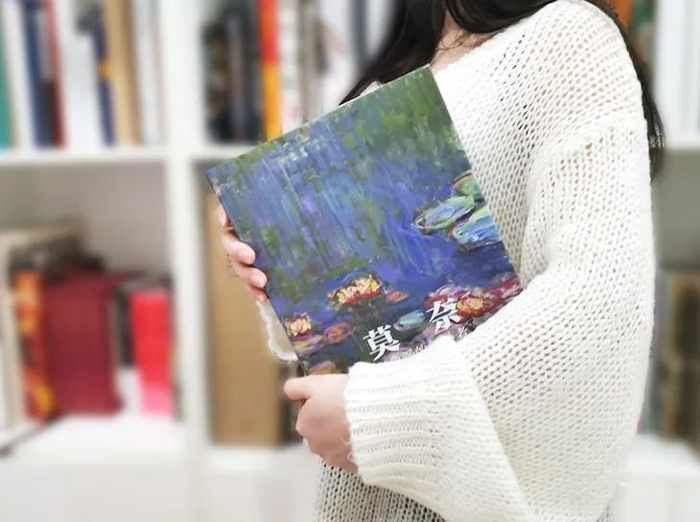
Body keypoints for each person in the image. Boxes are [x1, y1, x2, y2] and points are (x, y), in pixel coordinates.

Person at [215, 0, 663, 520]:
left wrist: (379, 418)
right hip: (364, 494)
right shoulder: (392, 75)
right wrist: (272, 273)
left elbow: (601, 302)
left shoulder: (570, 36)